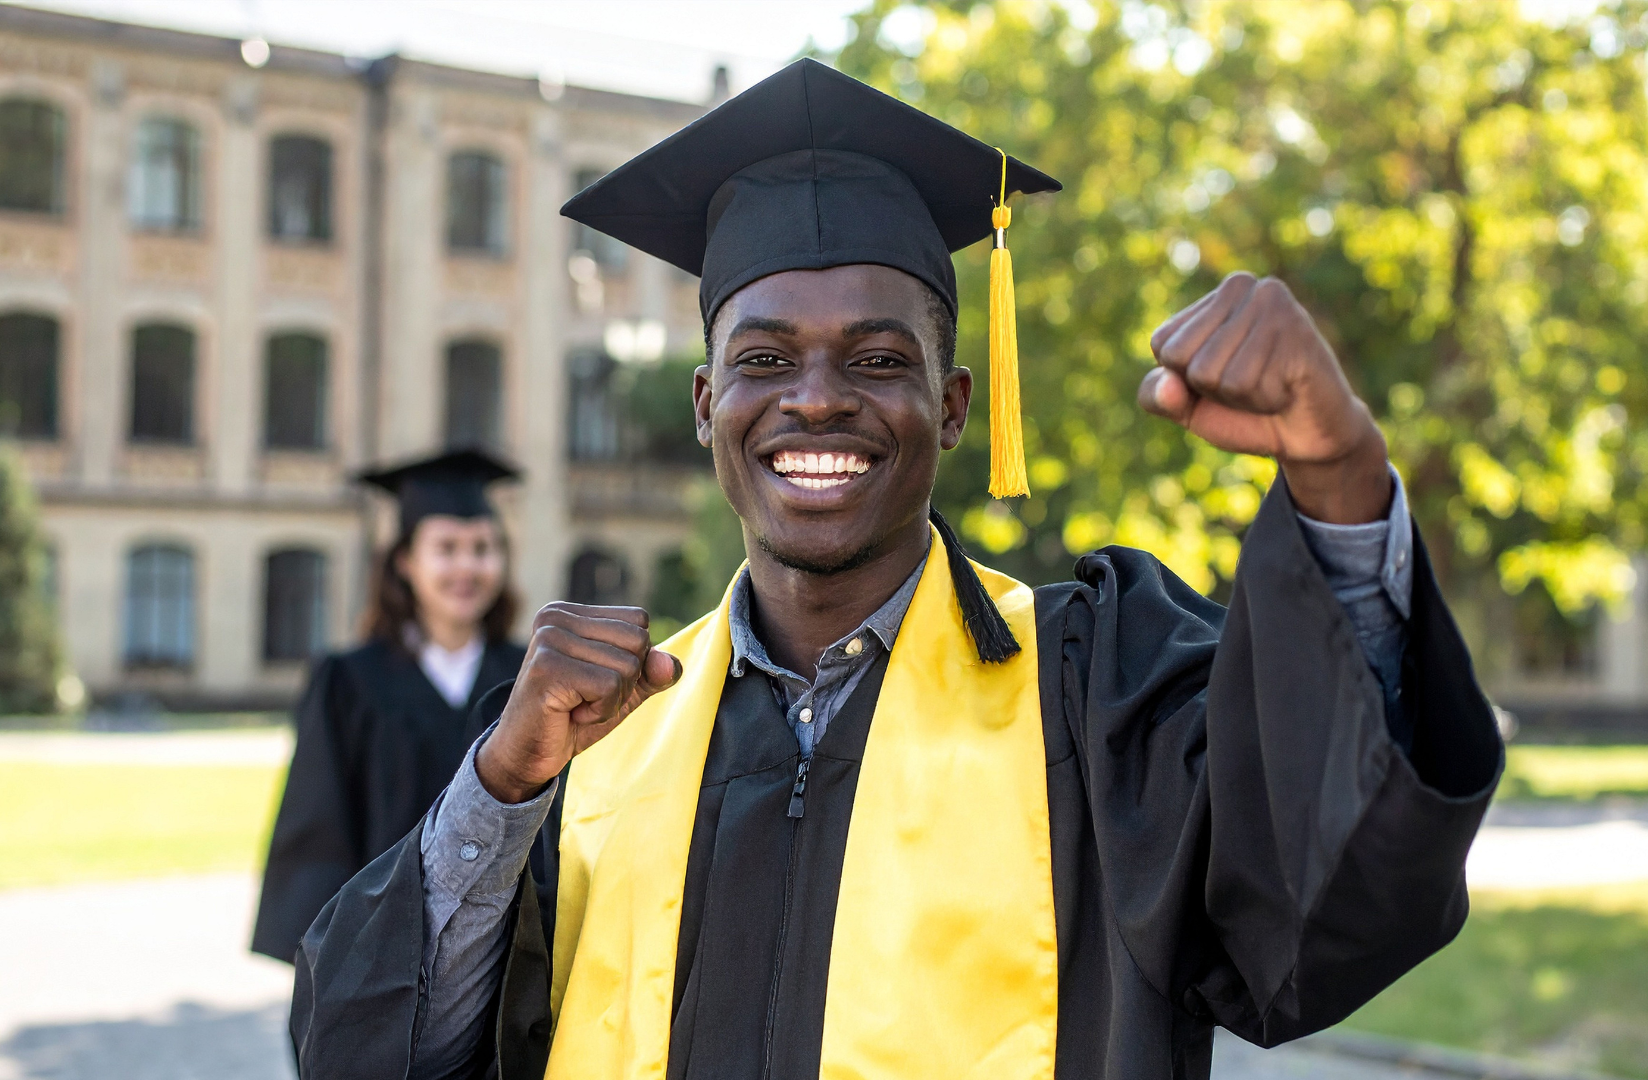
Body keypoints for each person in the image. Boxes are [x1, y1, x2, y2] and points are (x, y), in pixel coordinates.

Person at [290, 60, 1502, 1080]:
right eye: (764, 360)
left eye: (877, 360)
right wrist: (502, 788)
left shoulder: (1092, 688)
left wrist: (1338, 480)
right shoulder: (605, 734)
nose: (815, 397)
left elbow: (1326, 911)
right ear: (710, 402)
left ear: (954, 405)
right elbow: (367, 1050)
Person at [251, 448, 528, 964]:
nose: (467, 566)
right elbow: (320, 831)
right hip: (382, 957)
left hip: (509, 958)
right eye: (446, 548)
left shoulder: (529, 679)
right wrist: (331, 969)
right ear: (405, 562)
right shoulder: (351, 682)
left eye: (483, 548)